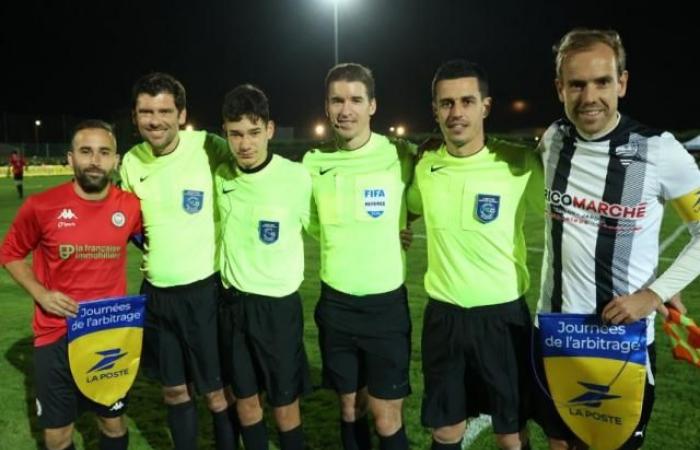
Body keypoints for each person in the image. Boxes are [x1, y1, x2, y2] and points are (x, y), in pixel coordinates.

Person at [535, 28, 700, 450]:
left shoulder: (660, 152)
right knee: (559, 445)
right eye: (577, 84)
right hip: (555, 335)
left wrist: (656, 294)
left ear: (622, 83)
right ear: (560, 89)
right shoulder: (553, 141)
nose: (589, 96)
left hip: (620, 343)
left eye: (602, 82)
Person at [406, 60, 539, 450]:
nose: (456, 112)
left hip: (503, 318)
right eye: (446, 104)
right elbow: (408, 208)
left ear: (485, 105)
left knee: (511, 432)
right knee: (446, 430)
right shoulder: (425, 166)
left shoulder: (519, 165)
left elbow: (570, 214)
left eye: (467, 101)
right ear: (435, 110)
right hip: (444, 317)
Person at [0, 120, 141, 450]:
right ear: (70, 158)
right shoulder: (41, 206)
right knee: (57, 435)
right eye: (86, 151)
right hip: (56, 335)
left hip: (108, 334)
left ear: (116, 160)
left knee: (113, 423)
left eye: (104, 152)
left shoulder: (131, 206)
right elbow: (10, 252)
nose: (95, 160)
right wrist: (41, 293)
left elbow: (156, 239)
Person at [118, 72, 238, 450]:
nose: (155, 120)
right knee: (174, 393)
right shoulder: (131, 162)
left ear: (182, 115)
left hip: (205, 292)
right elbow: (131, 224)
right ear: (135, 116)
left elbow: (252, 175)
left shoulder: (210, 147)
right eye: (146, 111)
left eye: (165, 111)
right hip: (157, 296)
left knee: (216, 394)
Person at [302, 63, 415, 450]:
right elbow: (313, 223)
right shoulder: (313, 164)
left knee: (386, 417)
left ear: (372, 106)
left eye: (355, 100)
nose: (345, 109)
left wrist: (405, 223)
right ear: (327, 106)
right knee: (349, 408)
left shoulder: (401, 156)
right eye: (337, 100)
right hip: (336, 304)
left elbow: (427, 196)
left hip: (385, 308)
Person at [215, 84, 312, 450]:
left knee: (285, 404)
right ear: (225, 132)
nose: (245, 144)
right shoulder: (221, 176)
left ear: (269, 130)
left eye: (254, 133)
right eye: (236, 134)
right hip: (233, 305)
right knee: (246, 400)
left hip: (277, 308)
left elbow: (327, 228)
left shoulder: (296, 178)